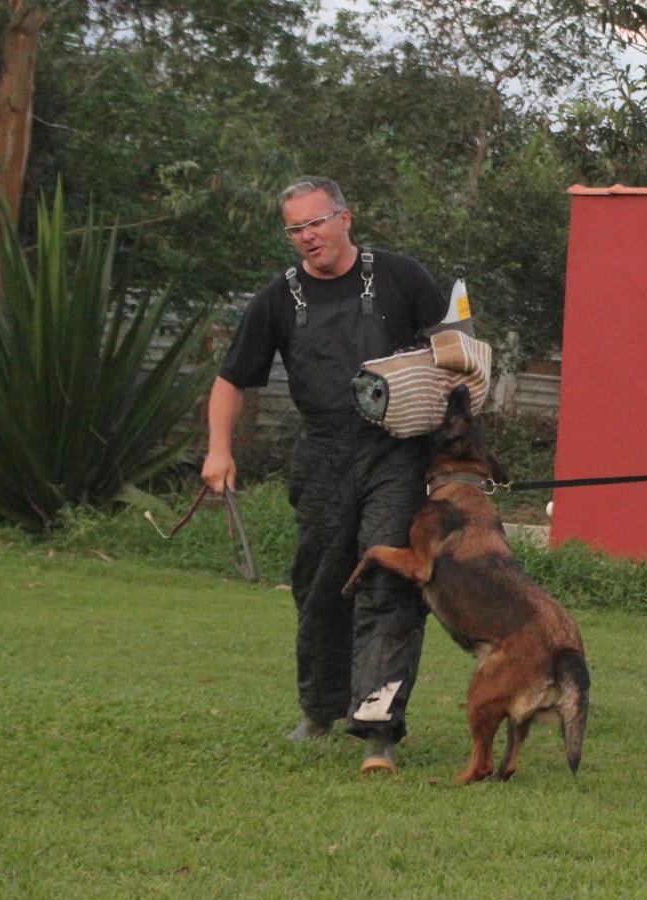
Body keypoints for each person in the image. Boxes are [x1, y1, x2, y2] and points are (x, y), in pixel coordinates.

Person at [201, 176, 446, 775]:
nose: (307, 236)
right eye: (296, 228)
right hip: (323, 456)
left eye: (316, 222)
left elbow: (456, 348)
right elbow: (232, 379)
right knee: (319, 584)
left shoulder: (402, 277)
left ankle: (379, 732)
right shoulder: (277, 299)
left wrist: (454, 447)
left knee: (386, 581)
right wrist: (218, 451)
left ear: (345, 218)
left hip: (396, 452)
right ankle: (318, 710)